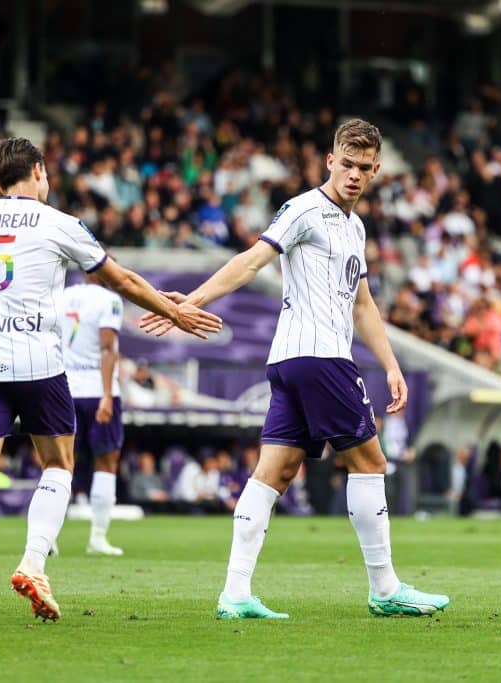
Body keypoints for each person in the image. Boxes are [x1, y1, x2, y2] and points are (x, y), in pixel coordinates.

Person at [140, 119, 448, 619]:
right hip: (319, 358)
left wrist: (390, 363)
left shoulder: (355, 226)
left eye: (363, 168)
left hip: (291, 362)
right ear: (330, 161)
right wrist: (189, 301)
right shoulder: (304, 208)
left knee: (274, 473)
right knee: (370, 463)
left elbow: (363, 304)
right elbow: (251, 261)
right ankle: (385, 587)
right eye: (345, 164)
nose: (353, 175)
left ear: (375, 172)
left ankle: (235, 593)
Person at [0, 137, 221, 630]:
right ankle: (32, 564)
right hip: (41, 366)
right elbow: (123, 280)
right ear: (40, 171)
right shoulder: (60, 224)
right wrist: (173, 310)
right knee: (59, 463)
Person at [60, 273, 127, 555]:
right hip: (97, 390)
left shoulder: (63, 295)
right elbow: (108, 347)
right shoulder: (110, 300)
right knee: (107, 461)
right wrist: (108, 395)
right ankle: (98, 538)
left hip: (63, 388)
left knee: (57, 463)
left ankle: (47, 538)